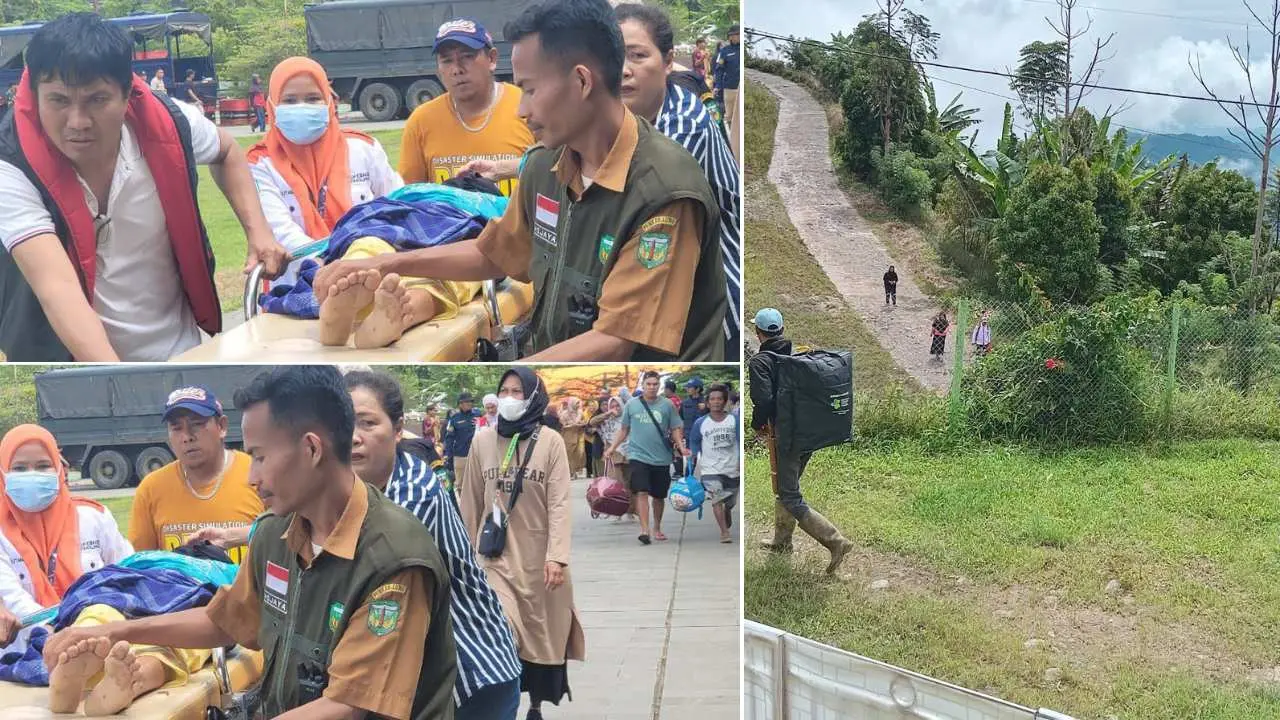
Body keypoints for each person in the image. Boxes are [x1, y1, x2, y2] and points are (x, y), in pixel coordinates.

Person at [314, 0, 727, 362]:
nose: (521, 110)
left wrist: (515, 380)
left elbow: (614, 341)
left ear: (582, 82)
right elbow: (493, 255)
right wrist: (386, 261)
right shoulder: (546, 164)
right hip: (553, 356)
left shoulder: (664, 193)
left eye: (529, 90)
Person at [44, 365, 458, 719]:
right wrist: (120, 631)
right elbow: (223, 621)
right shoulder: (276, 534)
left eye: (260, 456)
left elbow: (347, 705)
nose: (251, 477)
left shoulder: (394, 559)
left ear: (312, 448)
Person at [0, 13, 288, 362]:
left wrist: (258, 232)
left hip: (181, 351)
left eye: (97, 100)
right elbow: (56, 288)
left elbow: (227, 151)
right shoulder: (11, 164)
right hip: (79, 364)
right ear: (33, 95)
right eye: (59, 101)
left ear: (128, 95)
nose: (77, 122)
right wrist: (119, 381)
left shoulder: (171, 124)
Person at [615, 4, 743, 362]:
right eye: (613, 56)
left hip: (713, 298)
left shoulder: (682, 127)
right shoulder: (627, 121)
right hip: (663, 293)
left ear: (668, 61)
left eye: (638, 55)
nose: (623, 70)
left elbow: (626, 201)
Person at [458, 367, 585, 720]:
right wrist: (464, 556)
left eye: (518, 391)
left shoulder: (551, 442)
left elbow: (560, 502)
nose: (509, 398)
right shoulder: (482, 441)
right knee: (502, 633)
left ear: (533, 397)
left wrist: (557, 557)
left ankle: (534, 704)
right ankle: (505, 706)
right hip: (494, 560)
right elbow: (469, 501)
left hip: (540, 562)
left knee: (542, 637)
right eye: (505, 390)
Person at [749, 308, 854, 574]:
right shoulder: (795, 355)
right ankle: (782, 542)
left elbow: (763, 400)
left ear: (758, 333)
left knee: (789, 494)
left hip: (786, 435)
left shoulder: (761, 361)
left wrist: (757, 426)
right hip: (808, 432)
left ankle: (835, 542)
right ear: (781, 330)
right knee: (786, 487)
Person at [128, 386, 263, 565]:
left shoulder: (256, 474)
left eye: (197, 424)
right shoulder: (152, 488)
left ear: (222, 426)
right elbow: (141, 565)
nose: (187, 437)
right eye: (176, 428)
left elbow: (287, 537)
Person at [400, 19, 535, 196]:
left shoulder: (527, 106)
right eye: (447, 61)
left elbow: (558, 171)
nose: (456, 69)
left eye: (467, 57)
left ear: (492, 59)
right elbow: (410, 197)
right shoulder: (422, 121)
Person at [604, 370, 689, 545]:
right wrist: (612, 447)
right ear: (642, 386)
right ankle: (644, 530)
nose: (651, 387)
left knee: (658, 496)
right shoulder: (632, 405)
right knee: (641, 491)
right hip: (637, 455)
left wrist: (681, 447)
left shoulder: (667, 405)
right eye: (648, 384)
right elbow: (624, 429)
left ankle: (657, 527)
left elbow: (675, 428)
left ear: (659, 386)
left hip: (661, 457)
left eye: (655, 384)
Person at [689, 383, 739, 543]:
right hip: (710, 470)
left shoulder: (734, 420)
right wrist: (692, 458)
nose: (716, 402)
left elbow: (739, 440)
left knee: (730, 502)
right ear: (708, 402)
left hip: (732, 469)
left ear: (725, 401)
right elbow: (694, 443)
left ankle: (727, 511)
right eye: (713, 399)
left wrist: (740, 461)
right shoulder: (700, 423)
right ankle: (724, 532)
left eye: (719, 399)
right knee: (717, 499)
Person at [713, 25, 741, 163]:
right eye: (735, 35)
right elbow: (718, 69)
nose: (737, 37)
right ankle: (730, 146)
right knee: (729, 117)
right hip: (729, 88)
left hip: (740, 88)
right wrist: (718, 85)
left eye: (738, 34)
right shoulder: (724, 51)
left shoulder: (742, 50)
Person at [444, 391, 483, 478]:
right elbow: (449, 438)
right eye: (467, 402)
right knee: (460, 484)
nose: (470, 403)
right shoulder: (455, 418)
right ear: (460, 404)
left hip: (477, 455)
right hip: (461, 455)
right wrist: (448, 455)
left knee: (477, 482)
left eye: (471, 401)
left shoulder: (478, 414)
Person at [679, 376, 707, 474]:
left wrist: (706, 407)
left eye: (690, 387)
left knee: (707, 460)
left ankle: (707, 483)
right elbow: (681, 419)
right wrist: (680, 435)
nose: (687, 389)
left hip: (705, 437)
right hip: (690, 436)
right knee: (690, 459)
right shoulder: (685, 402)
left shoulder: (708, 402)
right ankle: (688, 480)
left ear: (697, 389)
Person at [558, 397, 587, 477]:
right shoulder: (565, 414)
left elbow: (584, 423)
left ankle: (575, 471)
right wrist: (571, 425)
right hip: (568, 436)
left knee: (578, 454)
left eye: (578, 403)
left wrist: (580, 424)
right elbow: (562, 426)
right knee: (569, 454)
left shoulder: (580, 413)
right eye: (576, 403)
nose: (578, 405)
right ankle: (570, 472)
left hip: (579, 435)